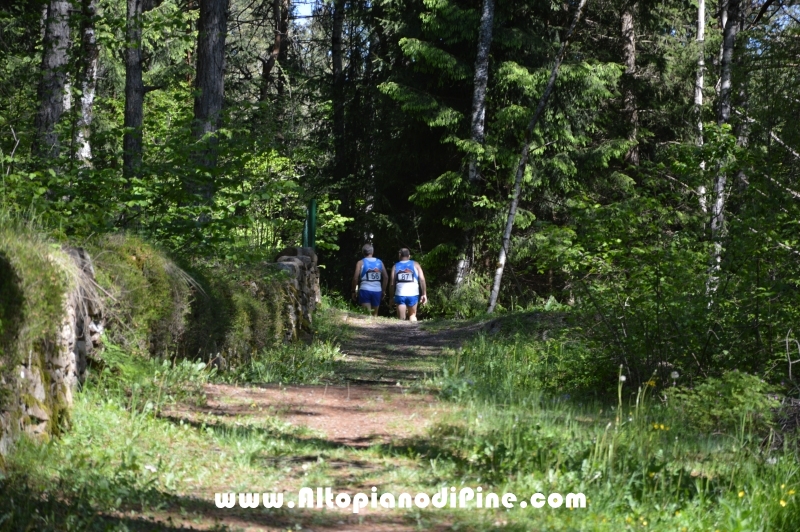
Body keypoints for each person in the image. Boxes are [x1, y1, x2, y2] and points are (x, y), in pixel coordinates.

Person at [389, 248, 427, 321]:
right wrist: (424, 294)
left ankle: (401, 331)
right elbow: (422, 279)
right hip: (413, 293)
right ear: (409, 256)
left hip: (400, 294)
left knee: (401, 319)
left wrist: (391, 297)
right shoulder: (416, 264)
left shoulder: (395, 266)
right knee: (412, 315)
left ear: (400, 255)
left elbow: (392, 284)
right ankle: (414, 332)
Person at [351, 244, 388, 316]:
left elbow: (355, 278)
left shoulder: (360, 262)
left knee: (366, 315)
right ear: (372, 252)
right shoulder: (379, 262)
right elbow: (386, 277)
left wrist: (353, 291)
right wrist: (383, 291)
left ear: (363, 252)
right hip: (377, 290)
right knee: (375, 315)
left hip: (365, 290)